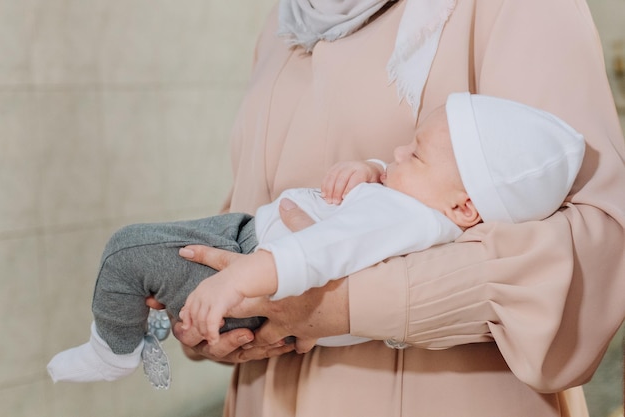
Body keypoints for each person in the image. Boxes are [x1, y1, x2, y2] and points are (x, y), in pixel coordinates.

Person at [161, 0, 625, 416]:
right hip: (267, 394)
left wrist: (341, 303)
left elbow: (598, 244)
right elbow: (251, 203)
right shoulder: (286, 19)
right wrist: (213, 317)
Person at [46, 91, 585, 387]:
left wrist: (232, 286)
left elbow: (318, 251)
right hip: (250, 249)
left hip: (255, 266)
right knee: (149, 267)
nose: (395, 154)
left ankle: (112, 350)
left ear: (465, 206)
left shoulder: (404, 217)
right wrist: (367, 170)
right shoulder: (425, 208)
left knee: (127, 252)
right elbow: (395, 197)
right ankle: (146, 328)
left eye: (412, 153)